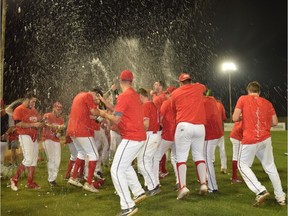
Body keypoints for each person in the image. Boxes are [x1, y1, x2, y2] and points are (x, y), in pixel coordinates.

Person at [100, 70, 146, 216]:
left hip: (132, 137)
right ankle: (138, 192)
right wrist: (106, 104)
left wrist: (101, 113)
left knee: (116, 169)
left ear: (120, 81)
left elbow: (116, 119)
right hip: (138, 137)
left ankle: (128, 206)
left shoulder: (125, 96)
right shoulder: (133, 95)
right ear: (131, 81)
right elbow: (120, 110)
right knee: (124, 166)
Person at [232, 81, 286, 206]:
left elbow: (234, 118)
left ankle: (260, 190)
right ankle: (281, 197)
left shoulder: (243, 99)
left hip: (250, 138)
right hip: (265, 138)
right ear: (259, 92)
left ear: (248, 91)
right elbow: (275, 122)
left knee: (242, 165)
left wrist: (242, 117)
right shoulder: (267, 103)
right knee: (270, 167)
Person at [170, 73, 208, 200]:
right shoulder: (198, 88)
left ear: (180, 83)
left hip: (184, 125)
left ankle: (183, 187)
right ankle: (203, 184)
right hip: (200, 126)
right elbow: (203, 87)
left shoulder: (175, 93)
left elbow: (173, 109)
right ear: (190, 81)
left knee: (181, 158)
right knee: (199, 155)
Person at [66, 88, 103, 193]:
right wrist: (102, 114)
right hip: (81, 130)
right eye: (97, 99)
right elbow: (93, 112)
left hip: (72, 129)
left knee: (81, 152)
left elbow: (88, 114)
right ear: (95, 94)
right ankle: (89, 183)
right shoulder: (88, 96)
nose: (97, 102)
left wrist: (96, 117)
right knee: (94, 155)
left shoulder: (79, 95)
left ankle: (73, 177)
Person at [10, 91, 44, 191]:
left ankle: (30, 182)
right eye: (32, 101)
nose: (34, 104)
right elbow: (18, 124)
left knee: (33, 160)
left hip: (34, 136)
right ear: (27, 99)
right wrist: (34, 125)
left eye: (35, 102)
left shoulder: (33, 110)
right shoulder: (19, 109)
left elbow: (38, 122)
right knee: (28, 159)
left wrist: (42, 123)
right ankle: (14, 179)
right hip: (25, 135)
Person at [152, 86, 178, 189]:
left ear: (169, 94)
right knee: (176, 158)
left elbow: (160, 118)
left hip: (168, 134)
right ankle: (179, 181)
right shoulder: (178, 103)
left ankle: (155, 183)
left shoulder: (166, 103)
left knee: (156, 157)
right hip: (178, 134)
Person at [137, 88, 161, 195]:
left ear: (140, 96)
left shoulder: (146, 105)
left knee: (142, 162)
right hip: (155, 135)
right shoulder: (152, 105)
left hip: (150, 135)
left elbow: (146, 124)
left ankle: (153, 187)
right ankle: (151, 184)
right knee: (148, 161)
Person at [203, 95, 223, 193]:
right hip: (217, 132)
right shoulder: (211, 100)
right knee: (206, 159)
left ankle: (213, 187)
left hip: (210, 133)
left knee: (207, 160)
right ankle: (209, 182)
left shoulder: (203, 102)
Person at [42, 102, 65, 187]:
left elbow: (61, 132)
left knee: (57, 159)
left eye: (60, 109)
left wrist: (60, 132)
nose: (59, 111)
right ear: (53, 108)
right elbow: (45, 124)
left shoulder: (61, 119)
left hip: (56, 140)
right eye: (57, 109)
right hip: (47, 139)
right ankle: (51, 179)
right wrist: (56, 127)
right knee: (51, 159)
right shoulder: (47, 115)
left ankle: (53, 178)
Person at [150, 81, 169, 178]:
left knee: (160, 148)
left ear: (161, 87)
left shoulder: (162, 96)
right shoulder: (158, 96)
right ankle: (161, 169)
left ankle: (162, 170)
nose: (154, 85)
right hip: (158, 125)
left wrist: (152, 94)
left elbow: (159, 107)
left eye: (156, 84)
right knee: (159, 148)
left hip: (162, 126)